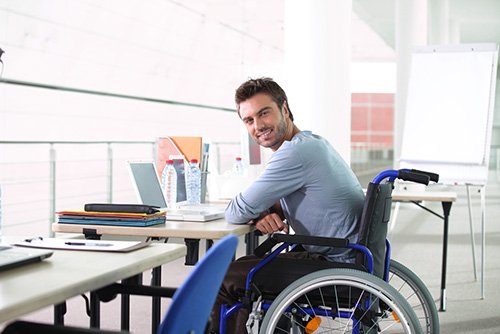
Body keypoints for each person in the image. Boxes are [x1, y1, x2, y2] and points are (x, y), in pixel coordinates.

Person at [209, 77, 365, 333]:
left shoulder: (294, 153)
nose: (258, 125)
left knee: (221, 277)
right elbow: (271, 202)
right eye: (249, 120)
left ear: (284, 109)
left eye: (264, 113)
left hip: (337, 266)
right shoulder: (312, 142)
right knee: (246, 266)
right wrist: (265, 211)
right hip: (347, 256)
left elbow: (236, 211)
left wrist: (256, 209)